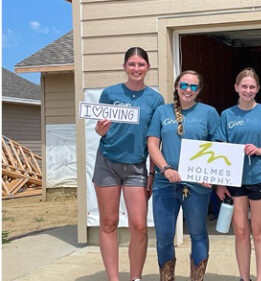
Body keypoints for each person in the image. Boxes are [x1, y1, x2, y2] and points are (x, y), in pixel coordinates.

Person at [93, 47, 164, 281]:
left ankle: (136, 277)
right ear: (125, 67)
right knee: (109, 223)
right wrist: (100, 130)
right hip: (107, 163)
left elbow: (155, 140)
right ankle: (113, 278)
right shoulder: (110, 93)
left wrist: (152, 173)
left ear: (148, 68)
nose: (136, 69)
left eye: (141, 64)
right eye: (132, 64)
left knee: (139, 225)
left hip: (136, 167)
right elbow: (99, 128)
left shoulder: (156, 99)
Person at [147, 70, 219, 281]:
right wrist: (166, 169)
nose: (188, 90)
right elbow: (152, 144)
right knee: (163, 238)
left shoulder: (209, 113)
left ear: (199, 90)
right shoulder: (162, 112)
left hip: (197, 185)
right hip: (164, 184)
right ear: (177, 87)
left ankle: (197, 278)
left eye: (194, 86)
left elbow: (218, 146)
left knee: (197, 233)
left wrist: (211, 173)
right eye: (184, 85)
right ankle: (167, 278)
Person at [215, 68, 261, 281]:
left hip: (260, 177)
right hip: (235, 180)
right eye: (244, 86)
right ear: (236, 88)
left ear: (258, 89)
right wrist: (220, 183)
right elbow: (220, 150)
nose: (248, 90)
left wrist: (260, 150)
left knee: (259, 232)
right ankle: (244, 278)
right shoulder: (227, 115)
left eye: (252, 87)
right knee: (240, 232)